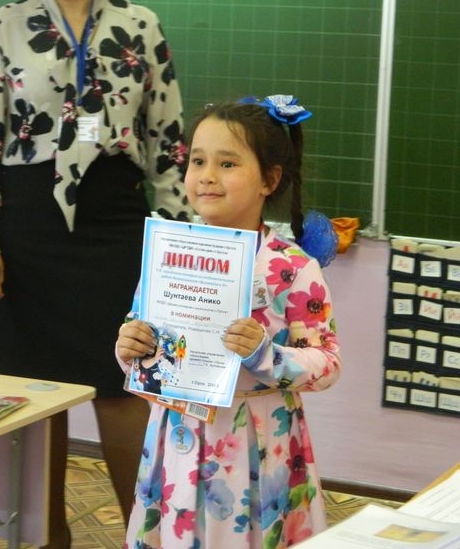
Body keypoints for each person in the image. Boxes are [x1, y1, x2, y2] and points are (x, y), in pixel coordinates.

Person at [0, 0, 190, 545]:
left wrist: (177, 241)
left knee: (126, 383)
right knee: (36, 395)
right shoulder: (3, 25)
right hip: (28, 227)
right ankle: (47, 538)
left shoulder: (139, 24)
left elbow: (168, 142)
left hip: (114, 221)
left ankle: (146, 536)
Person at [115, 95, 342, 548]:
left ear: (269, 180)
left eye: (228, 163)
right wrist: (130, 348)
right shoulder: (168, 254)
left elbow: (328, 363)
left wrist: (266, 355)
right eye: (197, 161)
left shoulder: (291, 268)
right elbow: (142, 342)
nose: (207, 176)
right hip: (177, 438)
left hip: (257, 443)